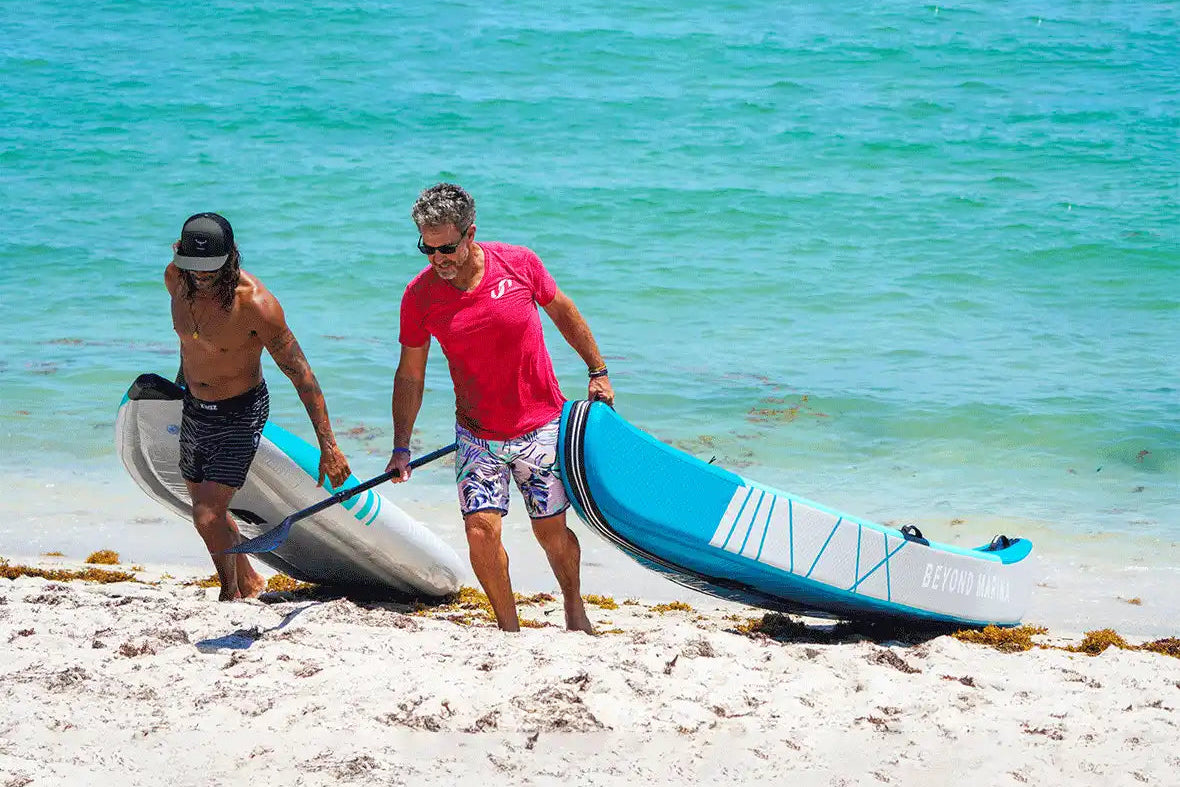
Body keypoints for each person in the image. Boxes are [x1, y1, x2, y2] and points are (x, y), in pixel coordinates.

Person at [387, 183, 614, 633]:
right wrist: (401, 446)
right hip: (477, 435)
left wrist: (597, 370)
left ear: (470, 233)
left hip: (542, 427)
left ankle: (574, 607)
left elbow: (563, 312)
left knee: (551, 532)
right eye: (427, 249)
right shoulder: (419, 296)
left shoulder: (518, 263)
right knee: (480, 531)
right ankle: (509, 629)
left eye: (447, 248)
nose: (438, 259)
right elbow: (410, 374)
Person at [166, 212, 351, 601]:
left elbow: (301, 375)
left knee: (206, 514)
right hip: (195, 407)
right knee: (206, 511)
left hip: (240, 411)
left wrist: (329, 446)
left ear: (231, 256)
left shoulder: (255, 305)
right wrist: (179, 388)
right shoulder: (175, 279)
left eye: (211, 267)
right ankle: (248, 580)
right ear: (179, 253)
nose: (201, 275)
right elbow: (191, 344)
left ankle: (230, 592)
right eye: (193, 264)